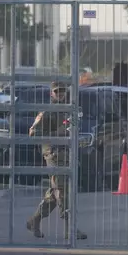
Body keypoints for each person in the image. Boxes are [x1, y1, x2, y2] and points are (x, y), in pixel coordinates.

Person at [26, 81, 87, 240]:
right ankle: (70, 229)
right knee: (63, 191)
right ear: (51, 94)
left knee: (55, 193)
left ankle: (35, 220)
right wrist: (56, 133)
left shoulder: (67, 110)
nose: (60, 94)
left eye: (62, 91)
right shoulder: (47, 112)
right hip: (53, 155)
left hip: (67, 155)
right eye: (57, 91)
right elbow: (33, 133)